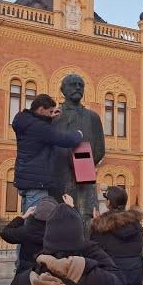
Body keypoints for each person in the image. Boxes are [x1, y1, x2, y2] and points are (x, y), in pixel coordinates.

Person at [6, 194, 125, 285]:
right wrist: (87, 245)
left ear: (47, 238)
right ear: (79, 240)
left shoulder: (21, 284)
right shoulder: (97, 281)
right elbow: (118, 278)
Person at [90, 186, 143, 285]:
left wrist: (95, 222)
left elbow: (92, 250)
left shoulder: (102, 225)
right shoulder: (136, 224)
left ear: (109, 203)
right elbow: (141, 249)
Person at [0, 196, 58, 285]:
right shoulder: (56, 236)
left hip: (23, 280)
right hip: (47, 282)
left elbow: (5, 232)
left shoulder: (26, 231)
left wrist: (23, 217)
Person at [12, 93, 83, 213]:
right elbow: (62, 139)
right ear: (41, 109)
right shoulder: (38, 127)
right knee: (35, 221)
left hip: (26, 180)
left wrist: (49, 117)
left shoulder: (24, 120)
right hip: (37, 183)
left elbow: (42, 133)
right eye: (50, 111)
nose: (51, 114)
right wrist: (78, 135)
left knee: (28, 216)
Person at [51, 74, 106, 230]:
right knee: (59, 217)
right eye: (72, 84)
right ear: (62, 90)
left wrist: (83, 165)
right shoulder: (54, 117)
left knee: (86, 219)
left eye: (80, 85)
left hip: (85, 179)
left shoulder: (93, 117)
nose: (77, 87)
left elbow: (100, 149)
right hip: (59, 177)